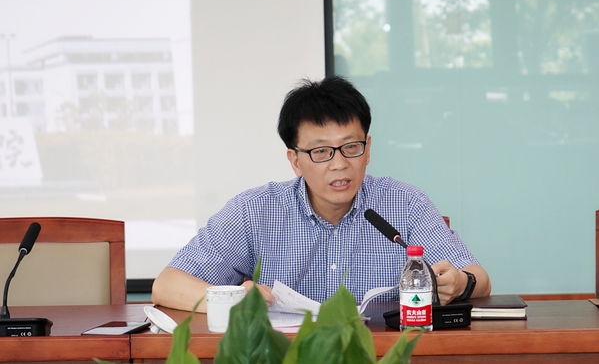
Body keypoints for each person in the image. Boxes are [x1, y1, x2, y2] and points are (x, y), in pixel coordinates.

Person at [152, 76, 491, 312]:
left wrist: (460, 283)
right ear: (295, 161)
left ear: (368, 149)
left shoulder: (405, 204)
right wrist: (232, 299)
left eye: (351, 147)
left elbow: (479, 279)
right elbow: (166, 285)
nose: (339, 164)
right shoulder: (255, 211)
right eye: (321, 152)